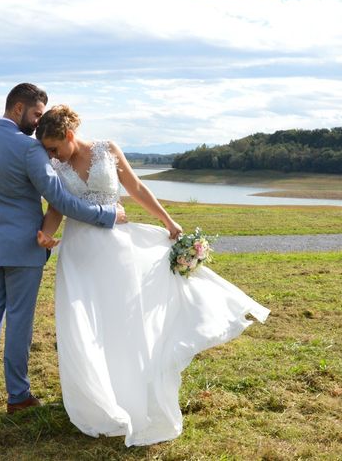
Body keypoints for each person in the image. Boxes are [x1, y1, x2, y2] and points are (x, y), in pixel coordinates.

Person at [36, 105, 270, 446]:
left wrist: (168, 222)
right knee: (87, 323)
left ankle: (130, 390)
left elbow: (137, 189)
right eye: (46, 149)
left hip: (116, 249)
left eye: (54, 147)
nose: (50, 154)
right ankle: (97, 399)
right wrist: (45, 234)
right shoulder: (56, 166)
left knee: (123, 320)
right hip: (79, 252)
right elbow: (56, 205)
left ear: (70, 135)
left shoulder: (107, 150)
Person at [0, 84, 127, 416]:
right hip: (24, 247)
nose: (39, 123)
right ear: (18, 108)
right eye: (37, 114)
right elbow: (60, 199)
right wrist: (105, 214)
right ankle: (18, 396)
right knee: (20, 320)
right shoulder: (29, 150)